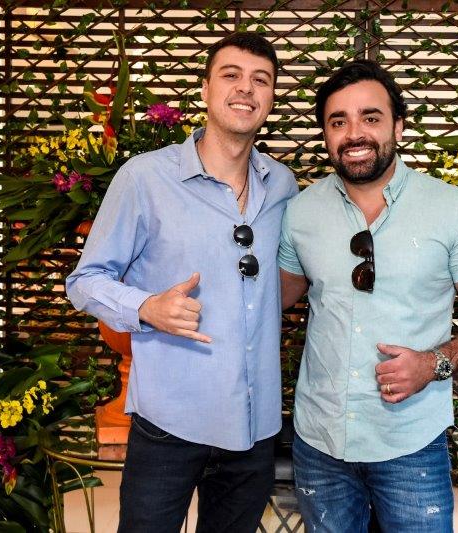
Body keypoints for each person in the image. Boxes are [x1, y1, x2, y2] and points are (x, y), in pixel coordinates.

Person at [66, 32, 298, 533]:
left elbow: (283, 281)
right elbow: (84, 280)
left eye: (261, 80)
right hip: (169, 425)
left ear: (271, 97)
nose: (246, 88)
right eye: (231, 75)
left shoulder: (283, 184)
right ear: (205, 89)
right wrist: (146, 307)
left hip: (254, 428)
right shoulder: (145, 178)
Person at [278, 60, 458, 532]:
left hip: (410, 442)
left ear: (399, 127)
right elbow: (273, 300)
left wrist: (434, 363)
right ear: (325, 135)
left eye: (370, 117)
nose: (354, 133)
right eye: (338, 121)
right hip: (319, 440)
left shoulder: (454, 210)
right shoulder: (300, 212)